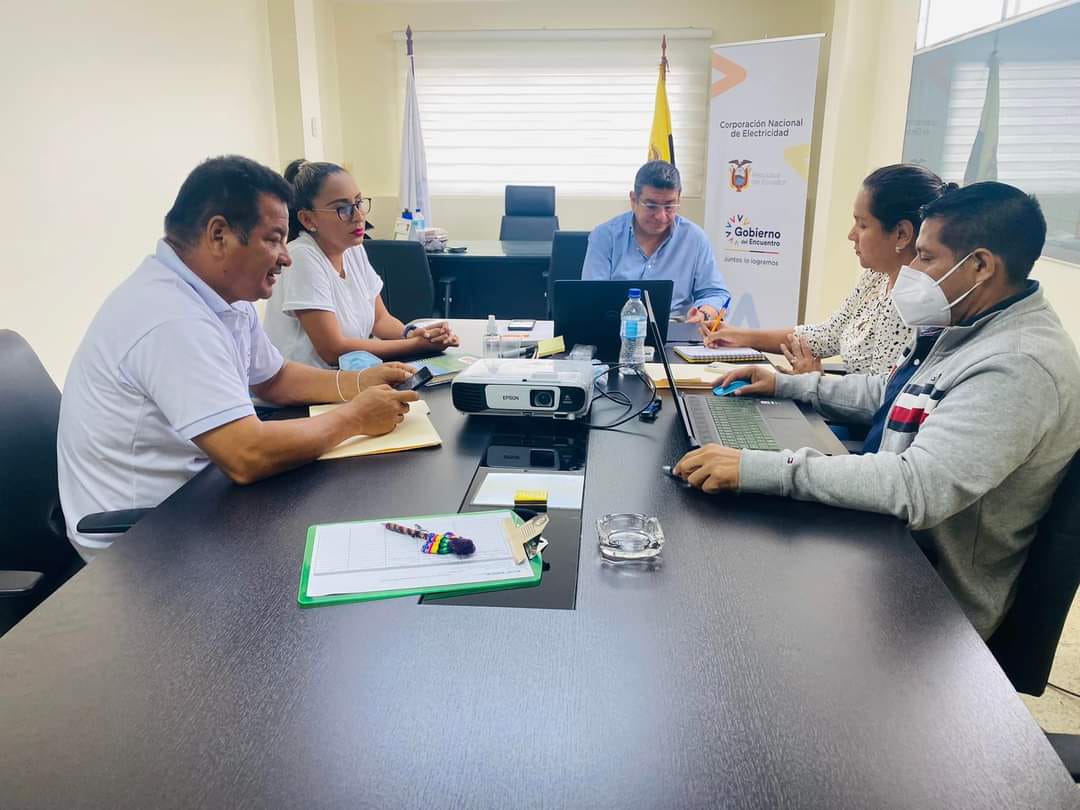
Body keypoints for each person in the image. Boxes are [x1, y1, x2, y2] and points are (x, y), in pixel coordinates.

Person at [673, 182, 1080, 639]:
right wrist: (788, 383)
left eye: (925, 257)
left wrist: (761, 467)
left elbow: (916, 485)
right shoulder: (971, 323)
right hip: (885, 542)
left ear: (981, 265)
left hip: (927, 598)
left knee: (733, 599)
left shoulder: (1018, 364)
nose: (913, 271)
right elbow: (893, 395)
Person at [57, 156, 419, 560]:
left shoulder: (224, 296)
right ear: (219, 235)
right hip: (142, 543)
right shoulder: (169, 316)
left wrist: (357, 384)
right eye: (274, 239)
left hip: (202, 495)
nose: (286, 257)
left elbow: (274, 379)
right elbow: (246, 454)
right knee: (344, 547)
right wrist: (354, 418)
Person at [703, 164, 949, 374]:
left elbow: (881, 398)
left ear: (902, 234)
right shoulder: (876, 277)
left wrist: (813, 382)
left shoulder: (913, 305)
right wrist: (741, 336)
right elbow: (830, 333)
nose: (851, 235)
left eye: (862, 225)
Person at [263, 159, 458, 367]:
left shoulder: (353, 249)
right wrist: (415, 345)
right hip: (307, 385)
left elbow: (380, 320)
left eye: (358, 203)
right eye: (342, 208)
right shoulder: (301, 257)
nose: (358, 216)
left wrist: (414, 334)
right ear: (308, 219)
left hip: (348, 376)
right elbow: (332, 350)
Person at [582, 160, 731, 322]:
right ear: (633, 200)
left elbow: (716, 293)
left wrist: (703, 313)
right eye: (651, 206)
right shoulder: (605, 236)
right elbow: (592, 296)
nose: (661, 216)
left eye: (669, 206)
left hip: (675, 329)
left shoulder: (695, 238)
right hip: (617, 327)